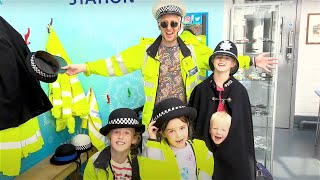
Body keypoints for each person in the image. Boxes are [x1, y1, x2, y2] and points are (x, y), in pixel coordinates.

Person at [62, 0, 276, 129]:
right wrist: (85, 67)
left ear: (180, 24)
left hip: (186, 117)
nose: (169, 27)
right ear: (159, 25)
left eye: (174, 23)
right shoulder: (145, 51)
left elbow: (221, 59)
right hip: (155, 117)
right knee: (155, 164)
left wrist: (253, 61)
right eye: (164, 24)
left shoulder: (193, 50)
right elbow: (115, 64)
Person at [188, 40, 255, 180]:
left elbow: (243, 130)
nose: (222, 60)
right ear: (212, 61)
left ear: (233, 63)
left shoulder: (239, 91)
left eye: (227, 58)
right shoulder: (200, 90)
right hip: (205, 147)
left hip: (233, 152)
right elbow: (193, 126)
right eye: (218, 57)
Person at [83, 108, 171, 179]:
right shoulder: (95, 162)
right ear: (109, 136)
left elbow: (158, 173)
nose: (121, 136)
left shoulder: (141, 162)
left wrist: (153, 139)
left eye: (126, 133)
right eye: (116, 132)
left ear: (134, 139)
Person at [143, 97, 214, 179]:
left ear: (188, 124)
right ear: (163, 132)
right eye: (171, 131)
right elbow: (152, 171)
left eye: (182, 128)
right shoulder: (159, 151)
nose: (179, 135)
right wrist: (153, 140)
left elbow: (207, 166)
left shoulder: (199, 147)